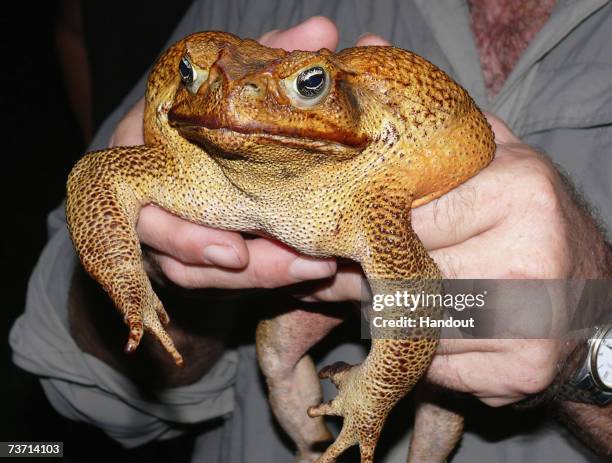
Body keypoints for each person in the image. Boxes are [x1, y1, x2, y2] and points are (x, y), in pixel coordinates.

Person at [10, 0, 612, 461]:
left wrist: (588, 336)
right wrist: (135, 273)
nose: (241, 98)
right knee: (277, 346)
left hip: (357, 185)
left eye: (309, 85)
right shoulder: (203, 128)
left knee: (434, 409)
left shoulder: (366, 194)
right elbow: (99, 177)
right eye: (198, 76)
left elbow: (414, 305)